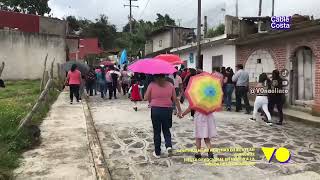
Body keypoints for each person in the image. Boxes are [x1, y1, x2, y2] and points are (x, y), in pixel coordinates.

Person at [144, 74, 182, 158]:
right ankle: (168, 146)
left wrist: (151, 99)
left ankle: (157, 152)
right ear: (164, 76)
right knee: (166, 129)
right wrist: (179, 110)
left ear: (155, 76)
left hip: (155, 110)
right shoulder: (170, 85)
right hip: (167, 110)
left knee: (157, 131)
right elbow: (175, 99)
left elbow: (145, 97)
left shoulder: (152, 84)